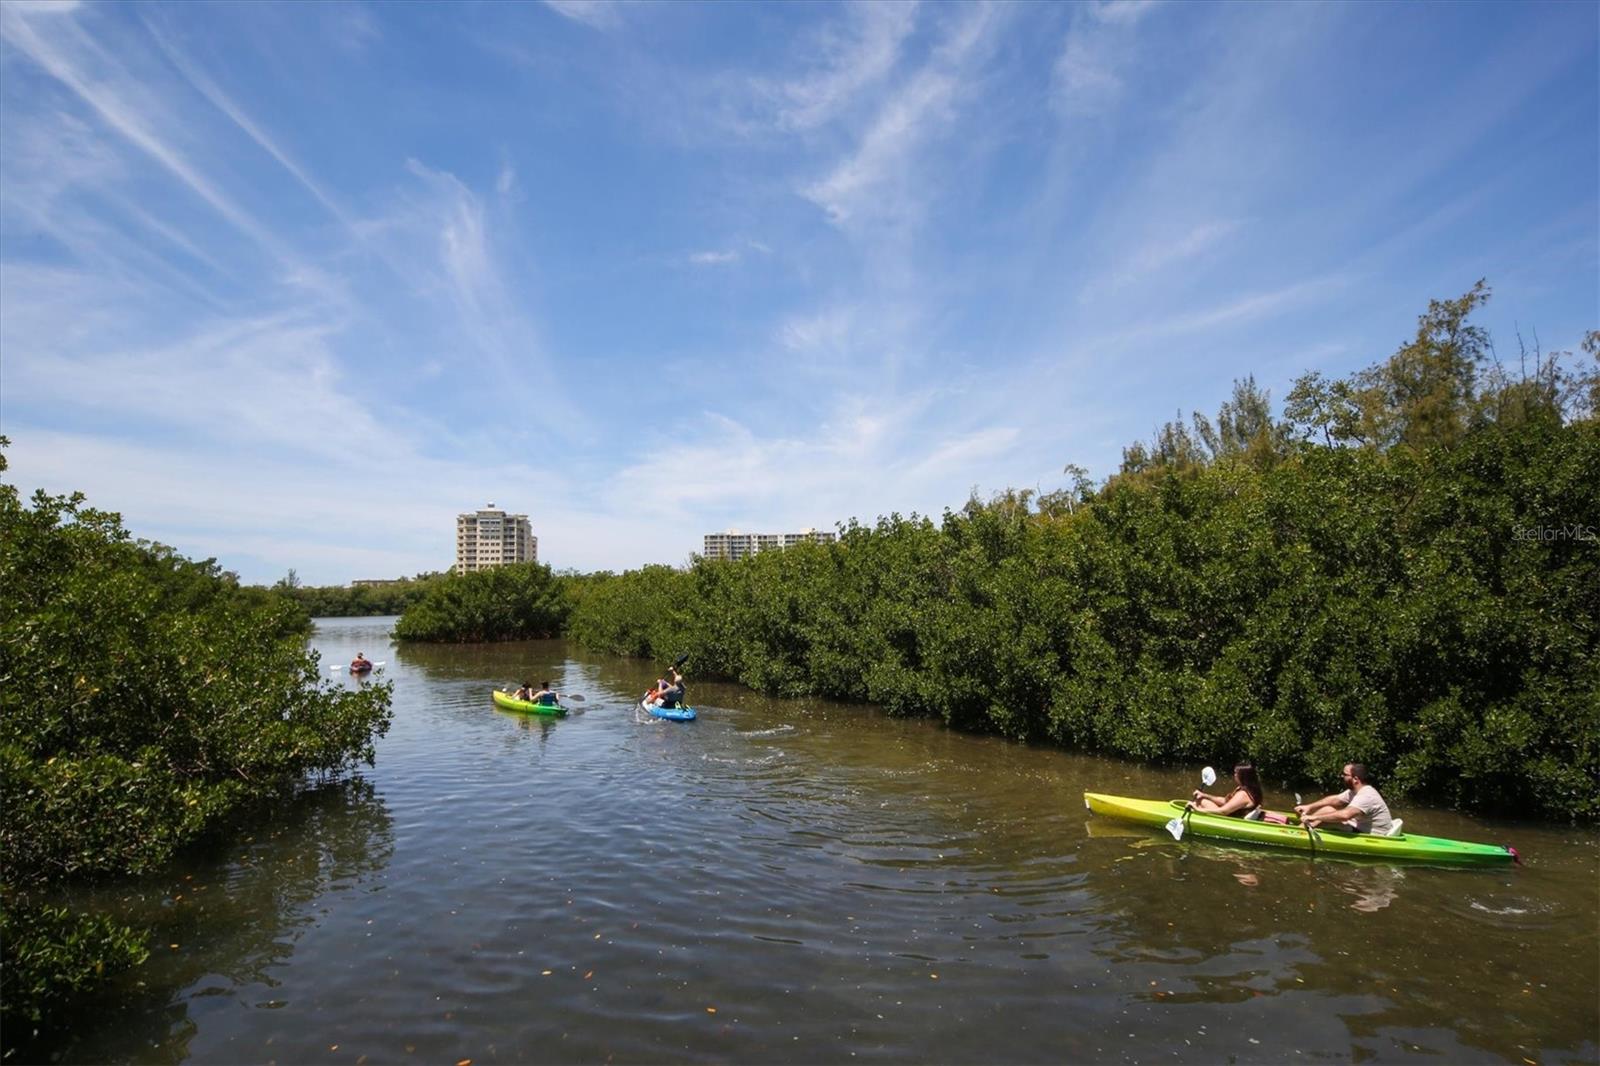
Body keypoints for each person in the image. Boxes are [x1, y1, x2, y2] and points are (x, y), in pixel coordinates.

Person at [1295, 762, 1394, 835]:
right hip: (1357, 826)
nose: (1342, 776)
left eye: (1345, 775)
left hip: (1370, 835)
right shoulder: (1354, 791)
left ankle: (1296, 833)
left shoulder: (1366, 796)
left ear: (1355, 779)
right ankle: (1301, 829)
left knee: (1327, 811)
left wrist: (1314, 817)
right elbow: (1335, 800)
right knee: (1327, 810)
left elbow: (1345, 815)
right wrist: (1309, 807)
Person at [1190, 763, 1264, 818]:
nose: (1234, 775)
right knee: (1201, 799)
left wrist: (1197, 809)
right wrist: (1204, 795)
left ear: (1243, 776)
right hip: (1229, 814)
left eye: (1236, 773)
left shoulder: (1243, 795)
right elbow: (1225, 801)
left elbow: (1223, 811)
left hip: (1228, 818)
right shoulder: (1245, 789)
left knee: (1201, 801)